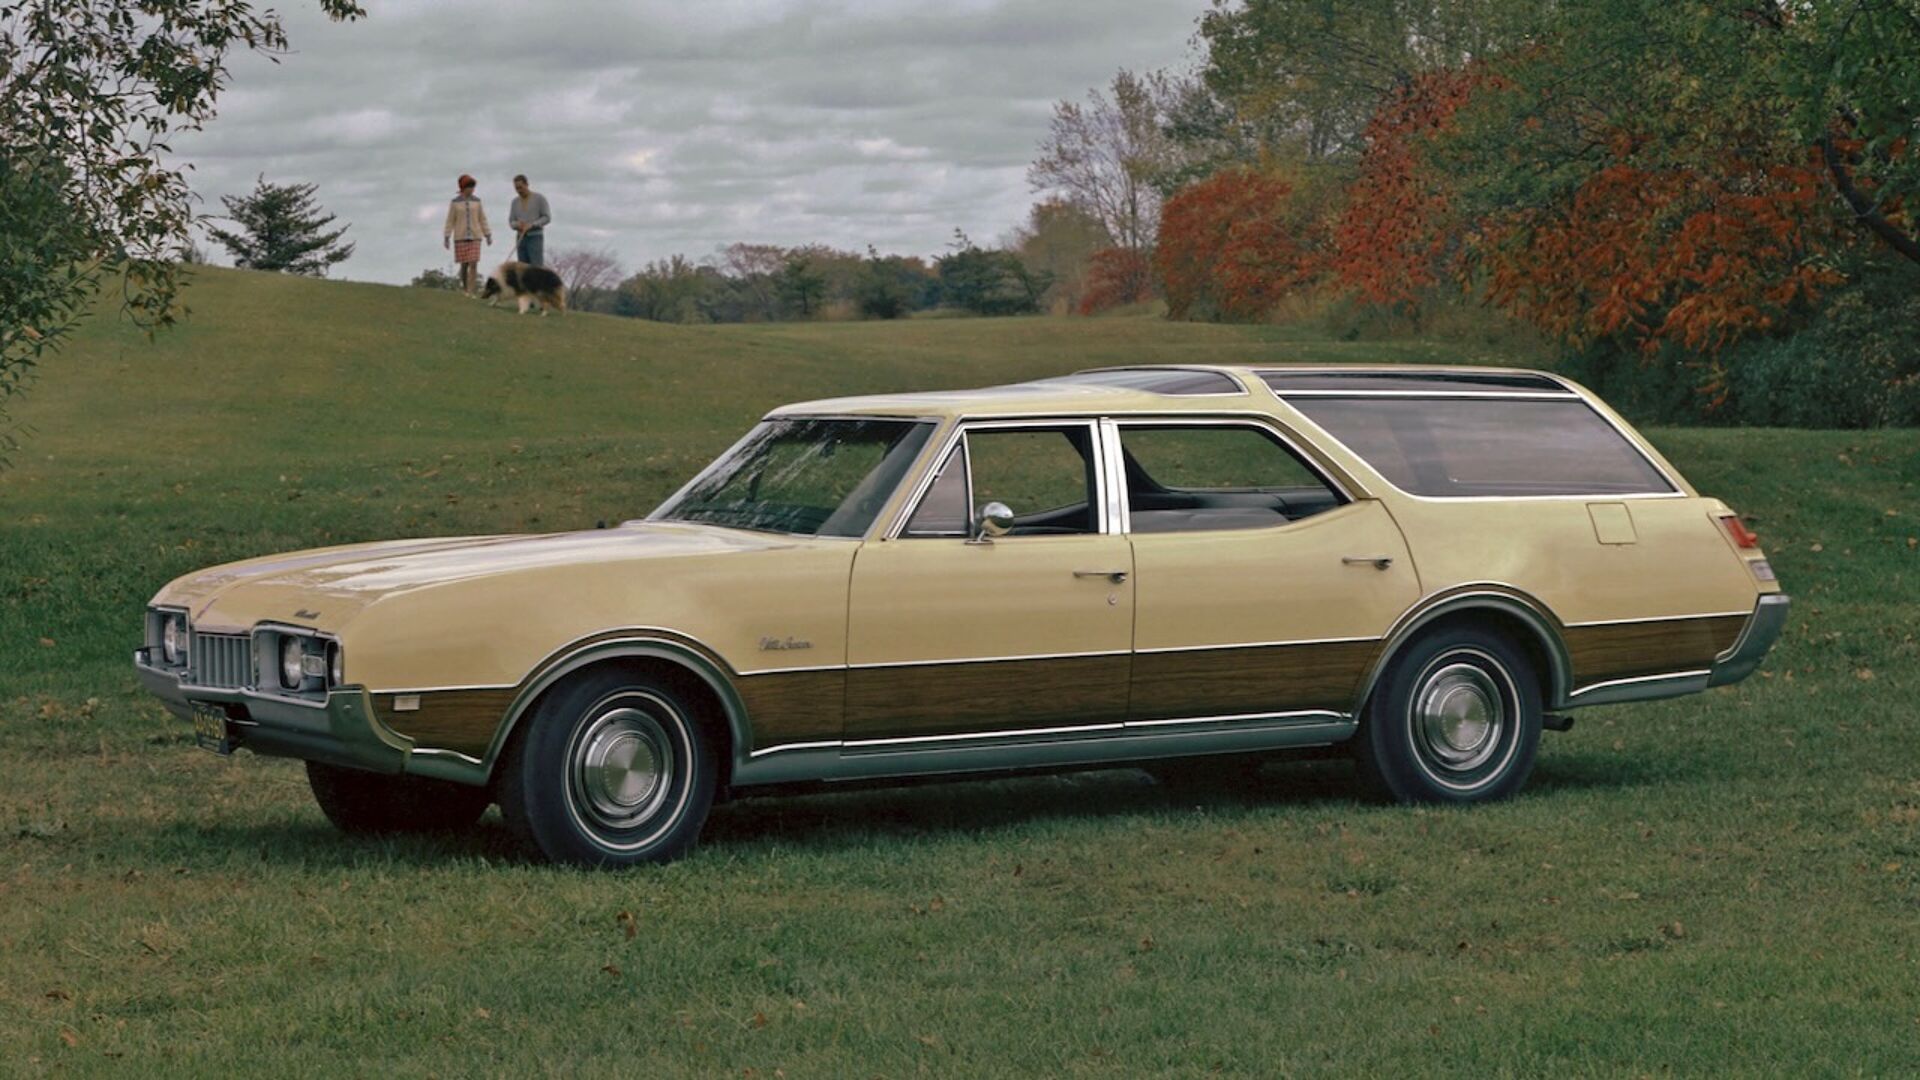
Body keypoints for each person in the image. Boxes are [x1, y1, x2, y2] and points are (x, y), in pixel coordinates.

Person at [441, 174, 492, 296]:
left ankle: (471, 290)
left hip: (475, 236)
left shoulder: (477, 202)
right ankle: (464, 289)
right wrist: (446, 236)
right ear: (463, 188)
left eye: (473, 187)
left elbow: (482, 219)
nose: (472, 190)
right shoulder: (455, 203)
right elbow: (450, 220)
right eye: (469, 187)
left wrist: (488, 234)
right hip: (461, 237)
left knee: (474, 263)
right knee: (464, 264)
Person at [509, 174, 551, 266]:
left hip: (535, 237)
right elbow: (511, 221)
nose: (519, 191)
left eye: (520, 187)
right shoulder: (514, 202)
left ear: (527, 184)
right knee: (522, 268)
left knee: (536, 267)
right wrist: (517, 224)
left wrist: (533, 224)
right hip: (520, 238)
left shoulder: (539, 198)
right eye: (516, 188)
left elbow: (547, 217)